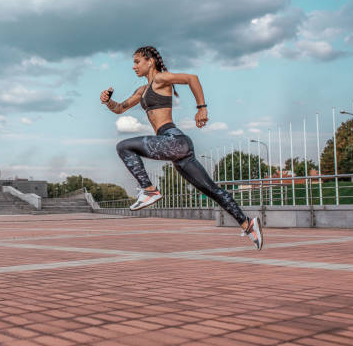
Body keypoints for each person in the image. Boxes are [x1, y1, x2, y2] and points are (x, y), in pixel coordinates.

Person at [100, 45, 263, 250]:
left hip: (173, 140)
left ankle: (149, 191)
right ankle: (248, 224)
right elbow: (120, 108)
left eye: (137, 61)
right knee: (211, 190)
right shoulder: (142, 90)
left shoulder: (161, 79)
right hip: (176, 147)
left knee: (123, 146)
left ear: (150, 61)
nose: (134, 66)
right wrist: (108, 102)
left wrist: (201, 108)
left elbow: (192, 78)